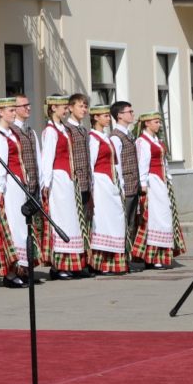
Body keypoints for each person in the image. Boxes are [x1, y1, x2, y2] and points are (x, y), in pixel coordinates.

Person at [39, 94, 87, 279]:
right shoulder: (50, 131)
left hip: (67, 180)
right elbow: (47, 158)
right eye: (63, 107)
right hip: (57, 180)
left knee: (70, 221)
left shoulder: (63, 129)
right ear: (53, 108)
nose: (66, 110)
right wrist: (46, 183)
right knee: (61, 220)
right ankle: (58, 267)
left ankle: (71, 264)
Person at [131, 111, 186, 269]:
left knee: (163, 218)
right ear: (147, 123)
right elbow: (142, 163)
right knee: (154, 220)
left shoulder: (157, 140)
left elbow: (164, 162)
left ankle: (158, 256)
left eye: (159, 122)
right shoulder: (142, 141)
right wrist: (143, 184)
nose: (159, 125)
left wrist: (168, 178)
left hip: (161, 183)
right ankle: (151, 257)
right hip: (152, 183)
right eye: (156, 122)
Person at [0, 98, 30, 288]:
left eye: (14, 109)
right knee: (12, 225)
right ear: (1, 112)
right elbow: (0, 165)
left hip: (17, 184)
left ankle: (21, 269)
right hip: (9, 186)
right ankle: (11, 272)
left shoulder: (11, 133)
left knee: (20, 226)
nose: (14, 113)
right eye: (11, 110)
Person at [87, 105, 127, 274]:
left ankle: (112, 262)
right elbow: (90, 164)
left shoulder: (105, 137)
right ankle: (99, 263)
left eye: (108, 115)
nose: (108, 119)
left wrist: (119, 184)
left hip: (110, 183)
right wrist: (92, 189)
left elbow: (116, 164)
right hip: (100, 183)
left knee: (114, 219)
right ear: (95, 118)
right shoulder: (93, 138)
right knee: (103, 222)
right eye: (104, 115)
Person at [109, 101, 141, 267]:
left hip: (133, 184)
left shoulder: (128, 134)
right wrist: (120, 185)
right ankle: (121, 257)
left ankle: (128, 256)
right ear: (119, 115)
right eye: (129, 112)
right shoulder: (116, 137)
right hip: (125, 185)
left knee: (131, 222)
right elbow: (117, 164)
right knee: (123, 221)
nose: (132, 114)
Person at [12, 94, 44, 261]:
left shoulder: (31, 132)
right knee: (19, 226)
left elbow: (38, 158)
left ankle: (29, 263)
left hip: (33, 185)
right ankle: (20, 264)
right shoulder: (11, 131)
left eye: (29, 104)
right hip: (19, 185)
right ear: (15, 109)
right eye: (24, 105)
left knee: (31, 227)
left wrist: (40, 183)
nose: (29, 108)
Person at [66, 93, 93, 238]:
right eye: (80, 106)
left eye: (85, 106)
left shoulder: (83, 130)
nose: (84, 110)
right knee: (75, 219)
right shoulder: (66, 129)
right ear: (71, 108)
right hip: (74, 180)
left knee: (86, 219)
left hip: (86, 182)